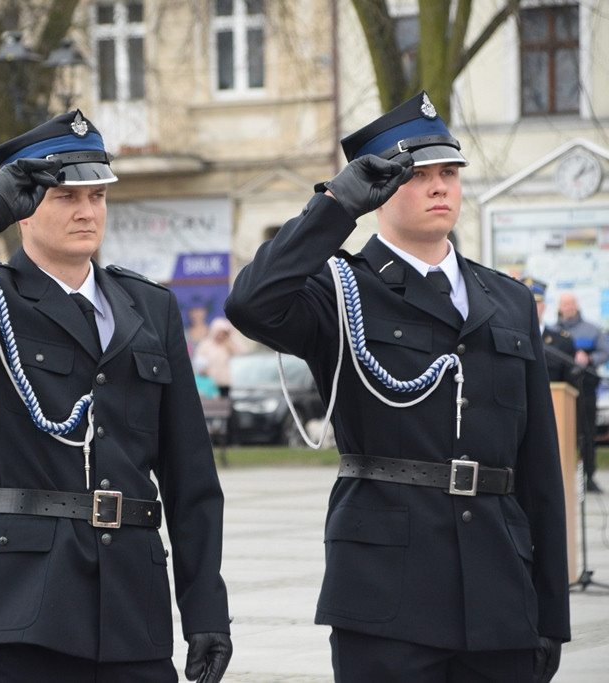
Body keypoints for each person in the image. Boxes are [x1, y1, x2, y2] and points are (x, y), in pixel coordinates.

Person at [0, 110, 231, 683]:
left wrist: (206, 609)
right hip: (24, 610)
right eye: (65, 196)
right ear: (24, 205)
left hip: (134, 612)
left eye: (97, 195)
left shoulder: (149, 308)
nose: (87, 211)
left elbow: (191, 478)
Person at [225, 91, 570, 682]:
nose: (440, 187)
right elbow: (251, 303)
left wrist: (550, 612)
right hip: (388, 595)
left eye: (449, 173)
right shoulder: (342, 289)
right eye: (418, 175)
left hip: (499, 591)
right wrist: (336, 205)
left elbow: (537, 466)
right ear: (379, 190)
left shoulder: (508, 299)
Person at [556, 291, 608, 492]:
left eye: (571, 303)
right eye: (565, 304)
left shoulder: (592, 330)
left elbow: (605, 352)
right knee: (562, 434)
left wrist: (589, 359)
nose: (568, 307)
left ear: (576, 306)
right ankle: (562, 476)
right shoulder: (552, 332)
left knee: (587, 433)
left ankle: (589, 476)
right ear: (559, 307)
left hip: (586, 390)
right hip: (561, 391)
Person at [523, 278, 577, 383]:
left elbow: (569, 387)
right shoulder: (509, 339)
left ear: (544, 306)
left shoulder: (562, 342)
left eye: (536, 302)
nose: (531, 306)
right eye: (525, 302)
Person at [192, 317, 236, 397]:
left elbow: (242, 352)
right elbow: (198, 362)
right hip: (208, 384)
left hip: (224, 384)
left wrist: (231, 336)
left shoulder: (228, 345)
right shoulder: (205, 345)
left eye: (224, 334)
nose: (221, 336)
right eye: (219, 333)